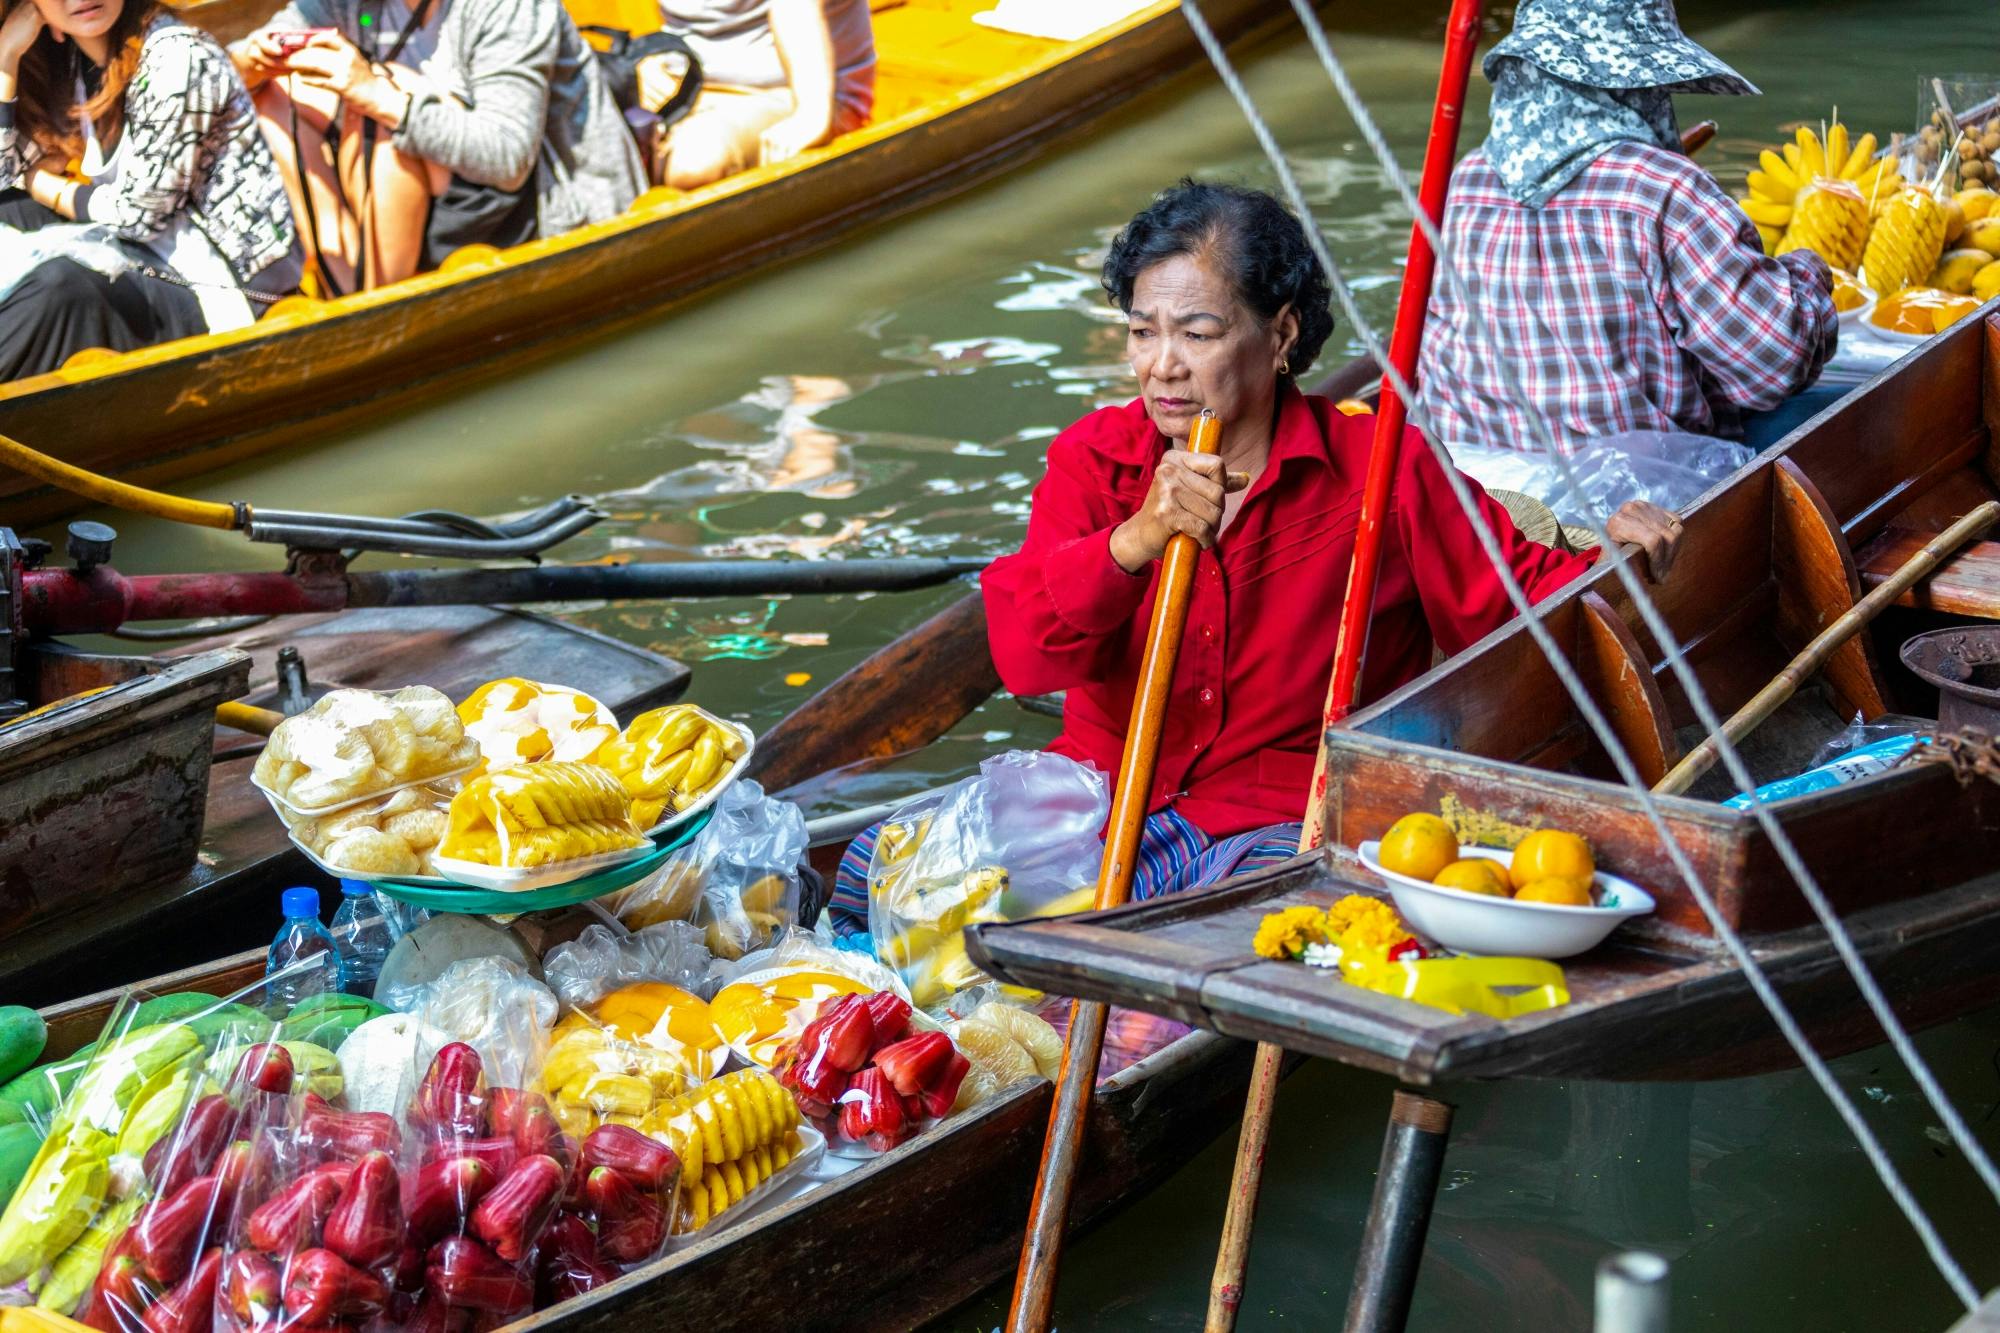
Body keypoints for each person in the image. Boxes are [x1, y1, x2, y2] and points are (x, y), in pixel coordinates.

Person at [826, 180, 1682, 942]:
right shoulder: (1098, 459)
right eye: (1142, 332)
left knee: (1211, 945)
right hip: (1101, 793)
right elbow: (1026, 655)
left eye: (1198, 333)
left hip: (1278, 817)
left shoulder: (1381, 467)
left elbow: (1514, 605)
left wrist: (1616, 560)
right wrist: (1137, 540)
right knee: (870, 867)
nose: (1163, 366)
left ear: (1281, 334)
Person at [1417, 0, 1840, 461]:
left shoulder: (1462, 181)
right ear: (1637, 85)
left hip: (1478, 483)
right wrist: (1807, 274)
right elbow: (1773, 367)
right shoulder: (1663, 189)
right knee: (1838, 409)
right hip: (1639, 491)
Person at [231, 0, 644, 291]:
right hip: (425, 203)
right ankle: (342, 282)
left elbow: (508, 158)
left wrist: (376, 93)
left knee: (389, 95)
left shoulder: (508, 6)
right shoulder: (347, 3)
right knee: (274, 95)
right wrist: (254, 60)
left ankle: (377, 304)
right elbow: (229, 69)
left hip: (542, 211)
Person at [0, 0, 300, 381]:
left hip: (221, 288)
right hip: (150, 252)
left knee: (62, 288)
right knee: (8, 210)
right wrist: (6, 55)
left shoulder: (180, 55)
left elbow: (138, 216)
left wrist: (42, 185)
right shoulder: (72, 63)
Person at [641, 0, 872, 190]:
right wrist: (644, 60)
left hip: (796, 92)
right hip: (685, 88)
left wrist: (811, 116)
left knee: (694, 163)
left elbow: (795, 9)